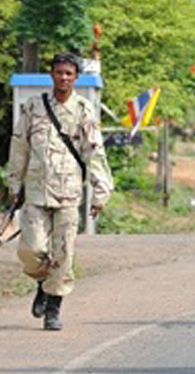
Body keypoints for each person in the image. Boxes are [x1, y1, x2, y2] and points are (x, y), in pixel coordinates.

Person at [7, 52, 113, 331]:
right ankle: (43, 282)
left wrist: (101, 191)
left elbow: (95, 152)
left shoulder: (84, 110)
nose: (63, 78)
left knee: (64, 253)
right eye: (59, 72)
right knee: (31, 249)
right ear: (51, 75)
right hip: (35, 192)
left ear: (76, 78)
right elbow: (19, 147)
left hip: (68, 194)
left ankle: (53, 307)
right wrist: (13, 184)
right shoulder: (34, 107)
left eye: (69, 73)